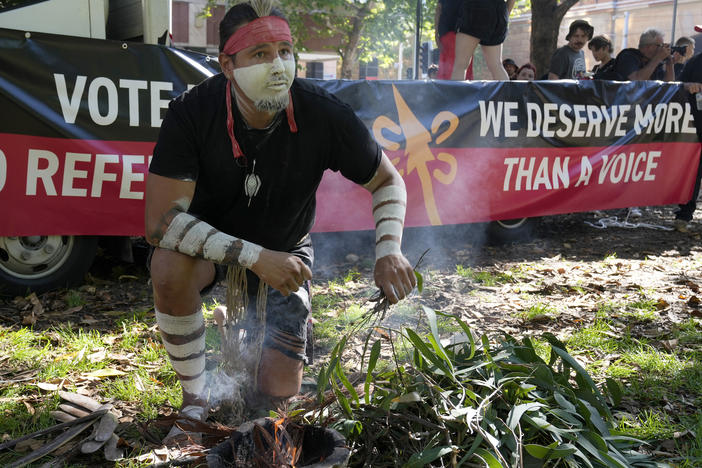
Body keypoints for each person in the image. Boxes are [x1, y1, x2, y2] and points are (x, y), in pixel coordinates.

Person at [145, 0, 416, 443]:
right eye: (260, 54)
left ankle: (280, 330)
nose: (278, 66)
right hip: (207, 253)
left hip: (286, 254)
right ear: (226, 65)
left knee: (275, 394)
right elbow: (159, 224)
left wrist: (389, 250)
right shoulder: (191, 113)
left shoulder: (323, 112)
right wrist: (253, 257)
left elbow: (388, 181)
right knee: (167, 266)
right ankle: (194, 398)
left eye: (285, 51)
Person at [673, 26, 702, 232]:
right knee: (695, 172)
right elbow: (677, 88)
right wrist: (686, 86)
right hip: (697, 128)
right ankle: (684, 215)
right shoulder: (695, 62)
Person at [449, 0, 517, 81]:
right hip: (500, 10)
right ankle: (507, 93)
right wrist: (504, 15)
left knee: (460, 64)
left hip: (475, 7)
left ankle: (456, 93)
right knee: (496, 65)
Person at [434, 0, 473, 80]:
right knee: (453, 69)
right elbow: (438, 10)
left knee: (452, 70)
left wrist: (436, 35)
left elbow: (438, 10)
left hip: (461, 34)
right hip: (454, 34)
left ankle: (453, 90)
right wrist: (436, 36)